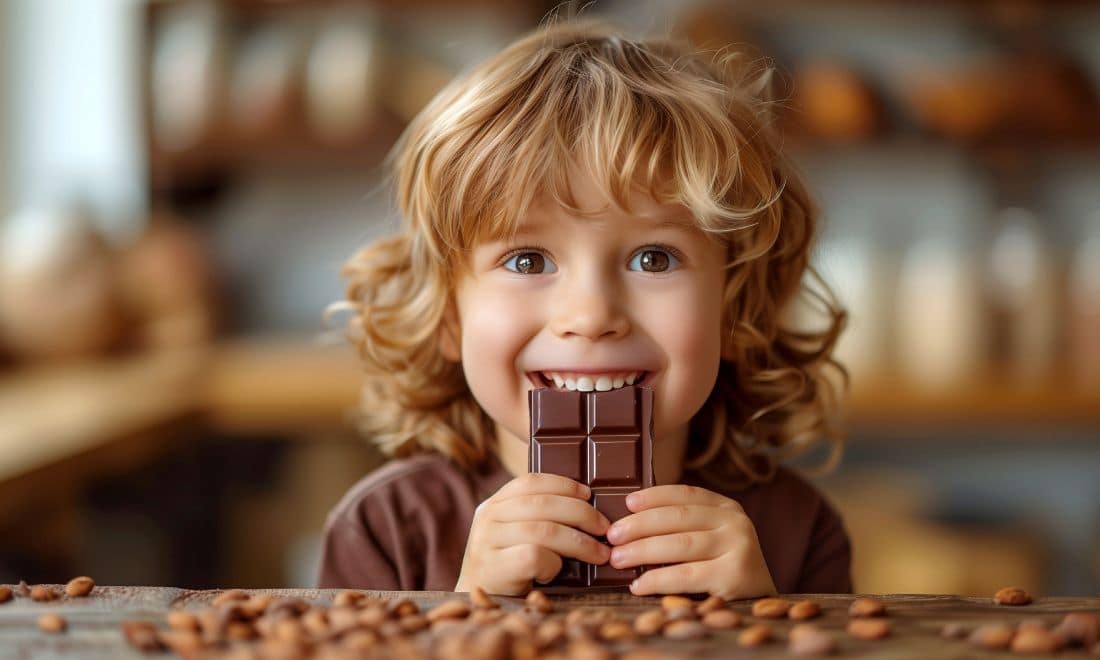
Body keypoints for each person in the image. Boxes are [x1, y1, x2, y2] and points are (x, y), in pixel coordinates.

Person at [318, 19, 852, 598]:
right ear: (448, 315)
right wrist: (463, 615)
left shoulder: (796, 534)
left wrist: (756, 623)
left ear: (734, 309)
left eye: (654, 259)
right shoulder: (387, 530)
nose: (592, 315)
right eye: (526, 261)